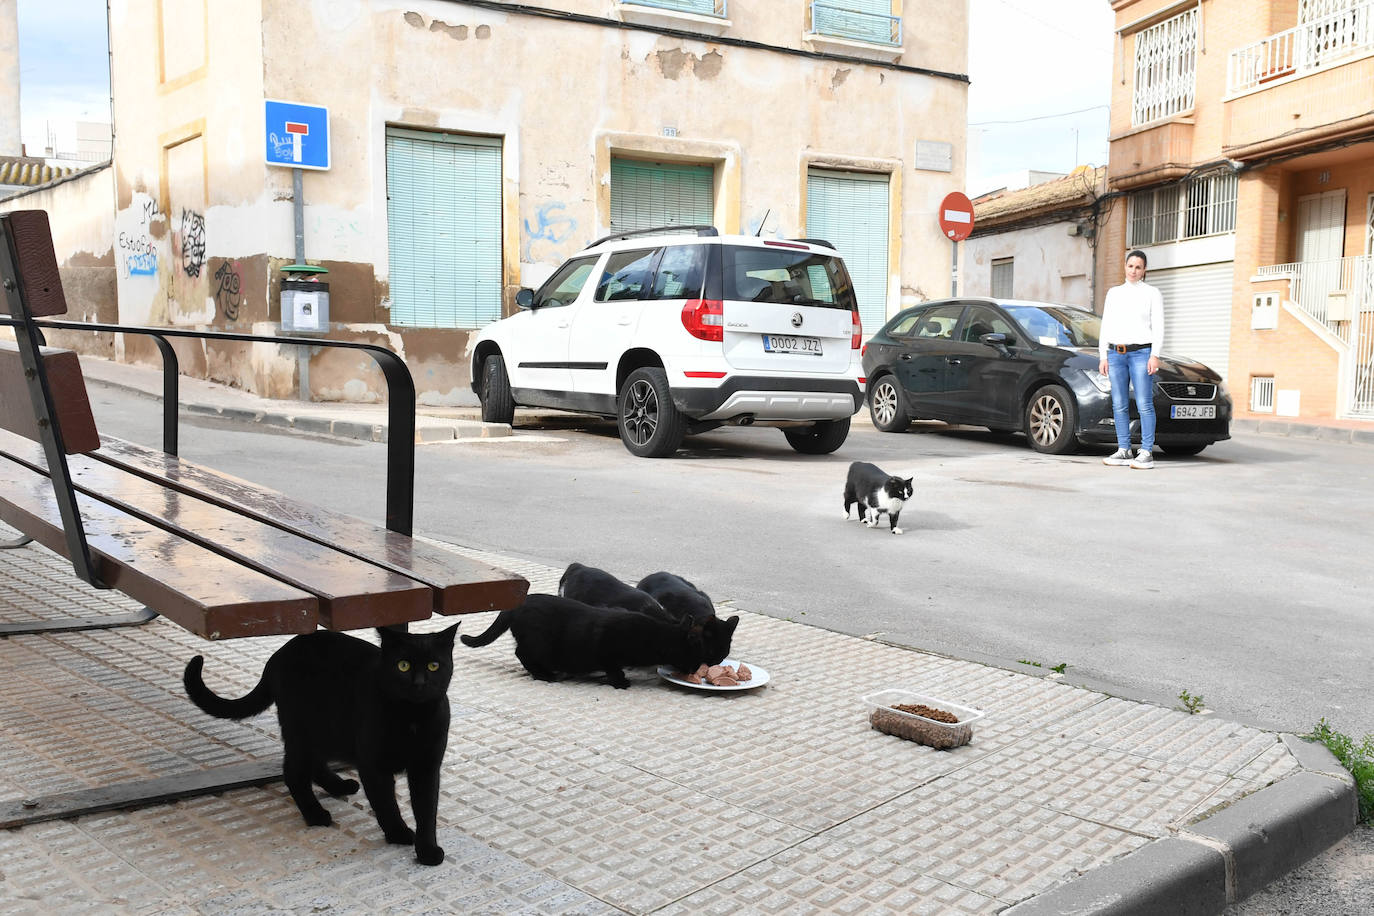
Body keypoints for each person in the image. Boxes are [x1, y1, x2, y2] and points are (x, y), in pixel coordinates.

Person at [1098, 250, 1163, 469]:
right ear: (1124, 267)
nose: (1133, 270)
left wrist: (1155, 354)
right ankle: (1124, 449)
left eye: (1138, 267)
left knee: (1144, 403)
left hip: (1141, 354)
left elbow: (1159, 326)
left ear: (1144, 270)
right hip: (1116, 354)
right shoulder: (1114, 293)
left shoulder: (1152, 293)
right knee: (1119, 404)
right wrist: (1103, 355)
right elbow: (1106, 325)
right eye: (1130, 266)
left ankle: (1146, 452)